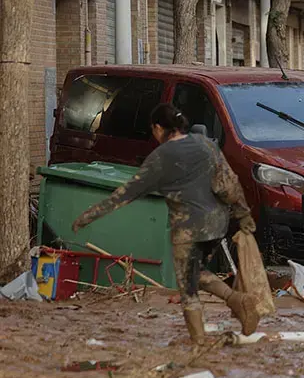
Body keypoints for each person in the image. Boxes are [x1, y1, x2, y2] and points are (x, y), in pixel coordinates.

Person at [72, 104, 261, 345]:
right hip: (217, 224)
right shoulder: (205, 144)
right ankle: (237, 300)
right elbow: (228, 184)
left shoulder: (160, 157)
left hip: (188, 230)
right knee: (196, 273)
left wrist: (88, 215)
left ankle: (199, 342)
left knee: (187, 288)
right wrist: (243, 215)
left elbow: (125, 194)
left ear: (159, 128)